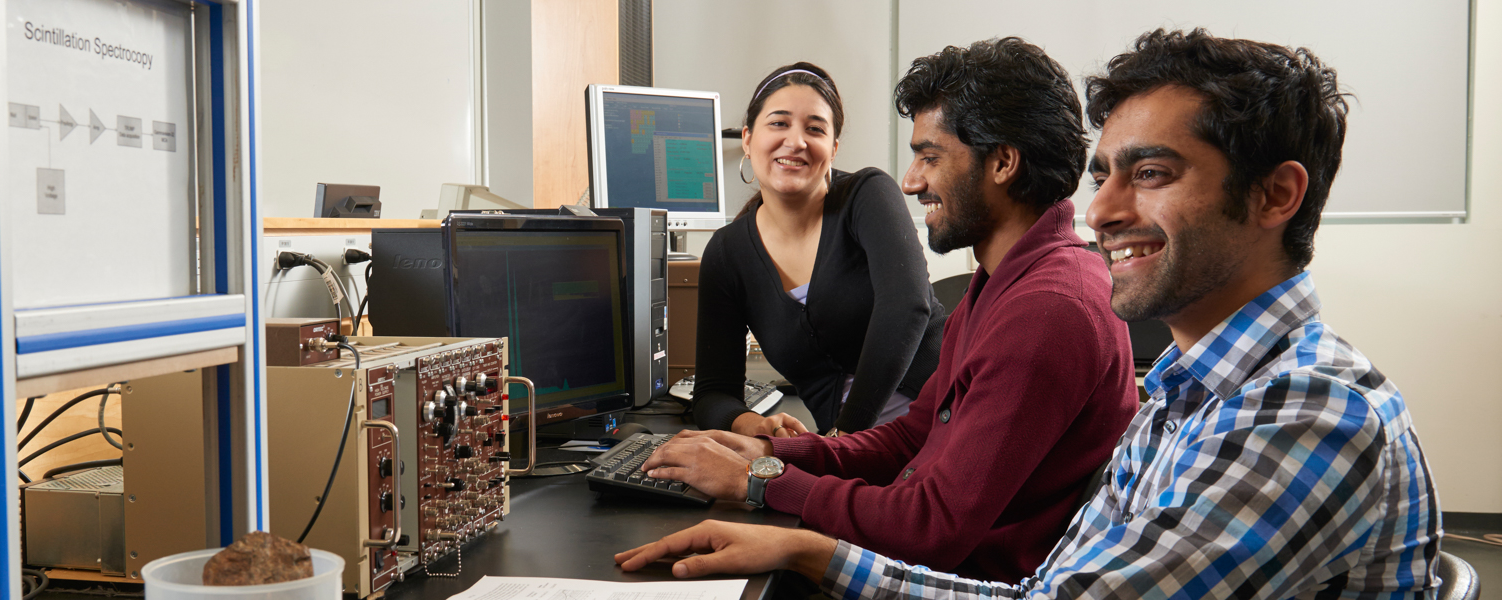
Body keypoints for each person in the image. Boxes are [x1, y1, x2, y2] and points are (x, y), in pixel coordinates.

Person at [618, 29, 1442, 599]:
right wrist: (797, 466)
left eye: (1149, 173)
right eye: (1106, 174)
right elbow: (924, 441)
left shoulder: (1306, 415)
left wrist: (780, 501)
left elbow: (955, 534)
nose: (1104, 209)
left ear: (1275, 195)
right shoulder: (1192, 388)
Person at [642, 38, 1139, 584]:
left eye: (930, 156)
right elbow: (911, 437)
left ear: (1002, 163)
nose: (911, 180)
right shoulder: (999, 284)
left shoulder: (1047, 309)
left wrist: (759, 480)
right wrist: (768, 451)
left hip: (963, 580)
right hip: (926, 547)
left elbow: (932, 526)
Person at [690, 62, 947, 437]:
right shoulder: (728, 254)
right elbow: (713, 393)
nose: (796, 142)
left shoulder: (866, 195)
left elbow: (907, 306)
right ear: (747, 139)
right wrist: (756, 425)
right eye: (778, 123)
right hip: (851, 450)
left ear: (834, 148)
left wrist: (843, 440)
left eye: (815, 129)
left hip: (943, 418)